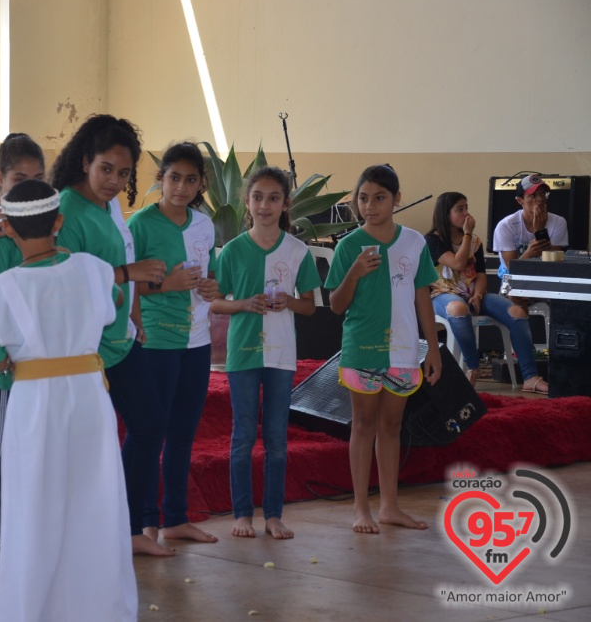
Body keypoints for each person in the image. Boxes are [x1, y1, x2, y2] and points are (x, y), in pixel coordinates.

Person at [0, 178, 138, 622]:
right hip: (87, 397)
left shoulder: (4, 288)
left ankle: (37, 608)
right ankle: (100, 607)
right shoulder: (93, 269)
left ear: (8, 229)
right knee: (93, 497)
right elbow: (115, 305)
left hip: (35, 403)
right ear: (59, 222)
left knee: (35, 501)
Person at [49, 114, 173, 556]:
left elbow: (115, 269)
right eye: (106, 169)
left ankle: (128, 526)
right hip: (84, 350)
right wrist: (127, 273)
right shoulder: (64, 209)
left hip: (117, 341)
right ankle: (105, 528)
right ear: (85, 161)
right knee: (99, 440)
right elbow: (61, 279)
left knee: (151, 422)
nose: (115, 181)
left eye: (123, 174)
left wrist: (133, 313)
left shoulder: (106, 205)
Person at [324, 164, 441, 535]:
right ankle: (362, 508)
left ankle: (390, 506)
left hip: (405, 350)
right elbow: (337, 305)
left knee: (391, 427)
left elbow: (423, 296)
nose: (370, 206)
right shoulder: (347, 246)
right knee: (363, 425)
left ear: (396, 199)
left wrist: (433, 349)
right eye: (363, 199)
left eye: (379, 198)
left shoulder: (414, 243)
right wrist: (354, 273)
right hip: (362, 349)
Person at [210, 166, 320, 539]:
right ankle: (242, 513)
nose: (265, 205)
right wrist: (244, 304)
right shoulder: (232, 252)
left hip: (281, 356)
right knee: (242, 436)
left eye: (274, 198)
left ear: (286, 204)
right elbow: (216, 305)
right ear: (246, 202)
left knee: (276, 436)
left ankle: (273, 515)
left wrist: (287, 301)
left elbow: (309, 306)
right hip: (242, 355)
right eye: (257, 197)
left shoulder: (298, 251)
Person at [127, 142, 220, 544]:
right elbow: (124, 284)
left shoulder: (204, 225)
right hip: (155, 339)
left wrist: (210, 287)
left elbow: (204, 279)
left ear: (201, 184)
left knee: (183, 433)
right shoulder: (139, 225)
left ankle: (176, 518)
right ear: (160, 178)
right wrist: (167, 285)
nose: (181, 187)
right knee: (150, 432)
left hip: (197, 339)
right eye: (174, 178)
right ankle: (146, 520)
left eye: (190, 179)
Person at [0, 132, 45, 581]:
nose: (26, 188)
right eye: (19, 178)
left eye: (37, 180)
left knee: (25, 456)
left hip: (31, 365)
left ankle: (22, 545)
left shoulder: (33, 226)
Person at [425, 192, 548, 393]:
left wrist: (479, 295)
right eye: (460, 209)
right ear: (445, 214)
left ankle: (530, 377)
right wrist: (466, 234)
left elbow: (480, 274)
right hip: (442, 296)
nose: (466, 213)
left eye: (466, 207)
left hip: (473, 294)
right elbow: (458, 263)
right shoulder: (432, 240)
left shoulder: (475, 241)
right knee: (458, 307)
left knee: (517, 313)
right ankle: (473, 368)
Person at [492, 174, 568, 286]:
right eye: (532, 195)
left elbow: (553, 265)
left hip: (546, 281)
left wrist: (540, 231)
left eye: (542, 194)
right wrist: (529, 253)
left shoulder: (558, 222)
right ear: (520, 200)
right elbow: (511, 269)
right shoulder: (506, 225)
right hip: (513, 281)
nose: (540, 199)